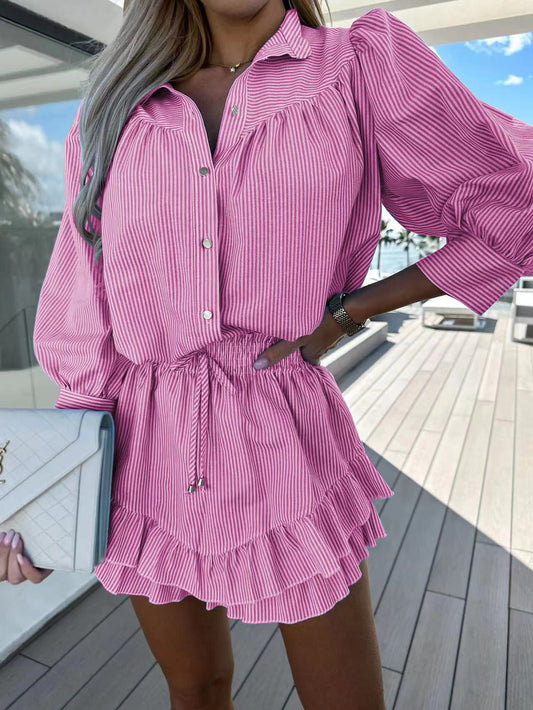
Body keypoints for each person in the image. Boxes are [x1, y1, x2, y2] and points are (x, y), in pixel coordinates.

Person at [2, 1, 532, 708]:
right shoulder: (115, 109)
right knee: (194, 690)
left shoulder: (356, 68)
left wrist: (347, 313)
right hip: (141, 449)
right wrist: (43, 501)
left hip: (282, 437)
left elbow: (513, 209)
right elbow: (82, 306)